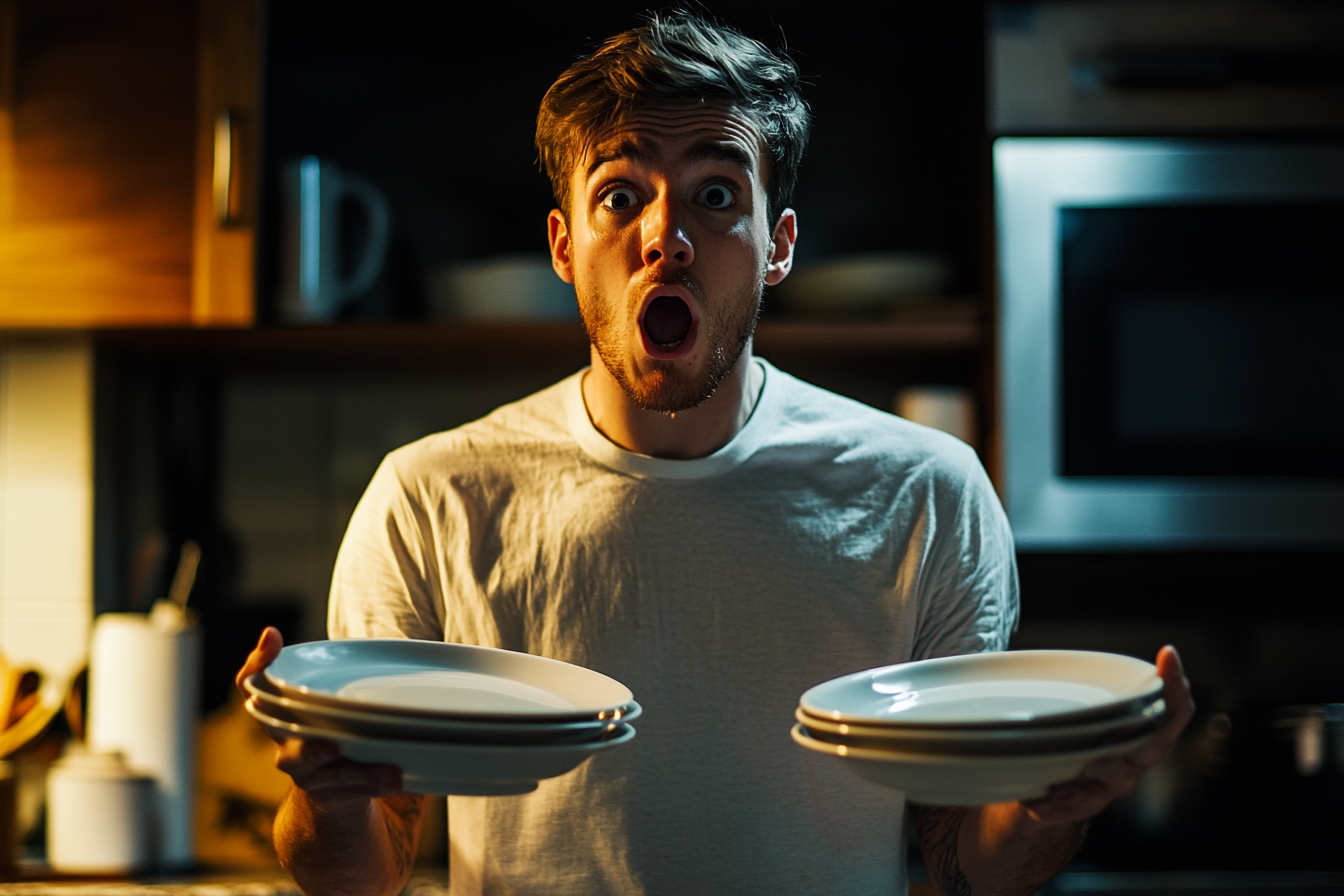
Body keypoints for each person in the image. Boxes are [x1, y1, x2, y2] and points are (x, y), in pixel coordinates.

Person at [237, 11, 1194, 896]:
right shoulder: (428, 497)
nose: (666, 237)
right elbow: (365, 870)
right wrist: (327, 794)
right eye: (620, 196)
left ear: (777, 245)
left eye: (715, 193)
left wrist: (1042, 806)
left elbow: (957, 861)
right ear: (564, 248)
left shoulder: (927, 493)